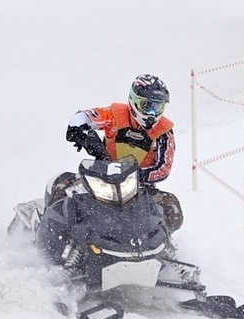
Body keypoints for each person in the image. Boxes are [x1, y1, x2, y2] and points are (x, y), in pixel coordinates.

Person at [48, 74, 183, 233]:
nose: (153, 113)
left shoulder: (164, 132)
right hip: (100, 181)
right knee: (62, 185)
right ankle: (55, 235)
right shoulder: (114, 115)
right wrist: (77, 129)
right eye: (148, 105)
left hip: (140, 188)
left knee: (172, 209)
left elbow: (163, 169)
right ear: (134, 101)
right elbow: (86, 116)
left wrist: (132, 176)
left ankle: (163, 242)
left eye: (158, 107)